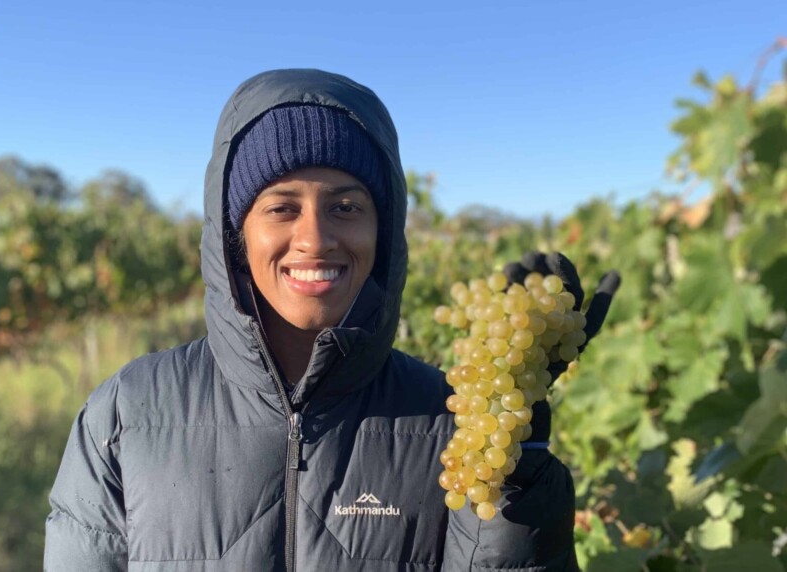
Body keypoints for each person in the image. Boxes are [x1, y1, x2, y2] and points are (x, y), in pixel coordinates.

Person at [44, 68, 619, 571]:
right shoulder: (124, 414)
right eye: (281, 207)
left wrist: (520, 472)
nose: (315, 238)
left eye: (347, 207)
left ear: (383, 233)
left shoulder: (453, 423)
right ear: (234, 236)